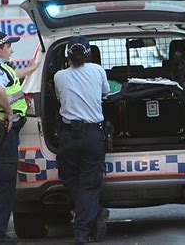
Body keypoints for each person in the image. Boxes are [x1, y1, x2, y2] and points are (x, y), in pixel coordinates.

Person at [0, 30, 38, 244]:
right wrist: (10, 112)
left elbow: (9, 78)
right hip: (0, 131)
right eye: (9, 46)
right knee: (3, 187)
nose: (12, 50)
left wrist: (31, 68)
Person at [54, 36, 111, 244]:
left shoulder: (59, 76)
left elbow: (60, 98)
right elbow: (106, 93)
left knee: (69, 178)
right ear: (88, 54)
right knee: (89, 183)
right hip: (93, 135)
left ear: (67, 56)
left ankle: (86, 223)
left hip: (69, 136)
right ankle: (86, 226)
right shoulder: (98, 71)